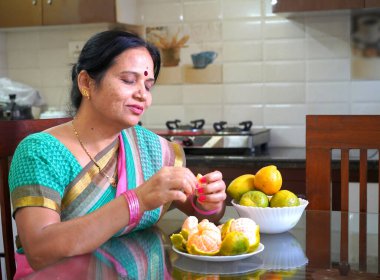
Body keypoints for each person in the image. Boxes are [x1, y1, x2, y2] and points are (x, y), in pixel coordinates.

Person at [9, 30, 226, 277]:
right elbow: (40, 251)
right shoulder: (40, 152)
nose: (142, 94)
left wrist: (210, 202)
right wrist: (136, 201)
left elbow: (201, 213)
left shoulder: (152, 149)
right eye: (128, 80)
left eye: (148, 85)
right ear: (86, 83)